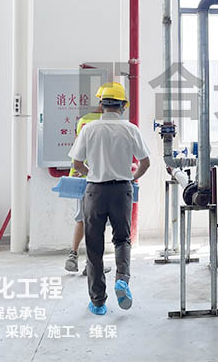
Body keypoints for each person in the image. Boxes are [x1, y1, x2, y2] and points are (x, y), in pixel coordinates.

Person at [68, 81, 150, 316]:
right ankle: (122, 279)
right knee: (122, 240)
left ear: (101, 105)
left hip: (95, 191)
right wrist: (131, 177)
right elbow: (145, 162)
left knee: (94, 246)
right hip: (122, 190)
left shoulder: (89, 129)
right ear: (123, 105)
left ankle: (98, 303)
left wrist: (93, 173)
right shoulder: (130, 129)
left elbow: (76, 163)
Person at [64, 111, 101, 276]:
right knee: (96, 221)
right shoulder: (107, 122)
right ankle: (91, 264)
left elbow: (77, 150)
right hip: (98, 178)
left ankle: (73, 255)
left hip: (81, 176)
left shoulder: (83, 121)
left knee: (82, 219)